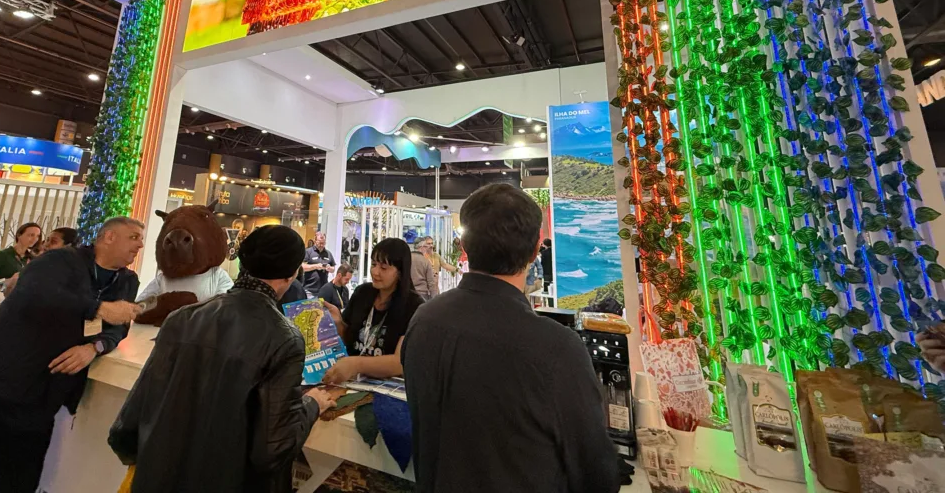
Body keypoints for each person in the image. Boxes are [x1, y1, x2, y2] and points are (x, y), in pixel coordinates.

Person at [402, 184, 620, 493]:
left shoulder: (424, 319)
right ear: (535, 250)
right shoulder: (557, 348)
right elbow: (597, 474)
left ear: (464, 246)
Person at [109, 225, 334, 492]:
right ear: (292, 274)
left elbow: (126, 426)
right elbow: (272, 449)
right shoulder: (285, 338)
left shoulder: (182, 318)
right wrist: (312, 405)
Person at [0, 217, 144, 493]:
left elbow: (118, 328)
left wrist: (95, 347)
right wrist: (98, 308)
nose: (140, 245)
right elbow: (35, 293)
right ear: (109, 237)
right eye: (134, 237)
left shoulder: (126, 281)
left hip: (35, 408)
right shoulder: (59, 261)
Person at [322, 238, 423, 384]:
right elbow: (348, 339)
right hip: (350, 382)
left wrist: (356, 364)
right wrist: (338, 323)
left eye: (384, 268)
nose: (375, 272)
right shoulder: (362, 293)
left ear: (400, 272)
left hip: (387, 386)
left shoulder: (413, 305)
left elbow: (399, 362)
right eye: (374, 264)